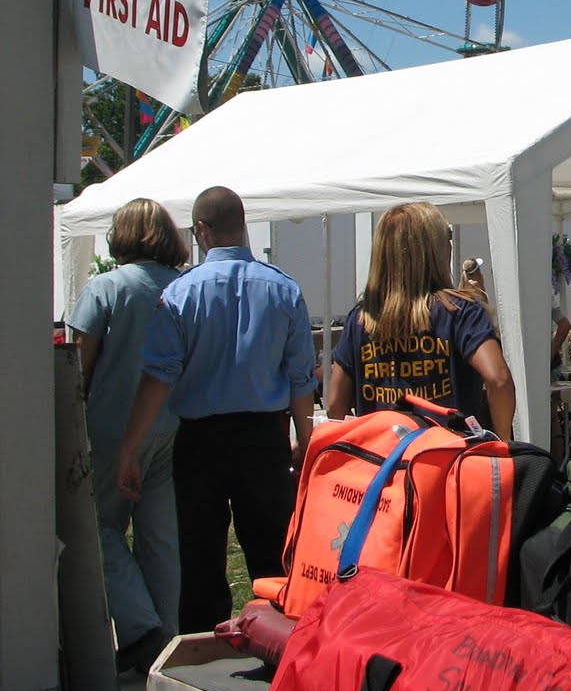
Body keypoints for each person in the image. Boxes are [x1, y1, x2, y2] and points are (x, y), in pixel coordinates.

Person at [115, 187, 318, 634]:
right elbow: (301, 377)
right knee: (271, 553)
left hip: (200, 441)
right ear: (242, 225)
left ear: (201, 231)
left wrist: (129, 446)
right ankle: (282, 647)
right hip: (264, 437)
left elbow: (158, 377)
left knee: (200, 557)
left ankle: (204, 650)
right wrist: (307, 442)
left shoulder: (180, 294)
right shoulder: (284, 289)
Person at [67, 198, 189, 672]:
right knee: (161, 538)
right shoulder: (183, 287)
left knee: (96, 527)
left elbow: (79, 363)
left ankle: (139, 626)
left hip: (111, 427)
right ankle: (167, 640)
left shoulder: (104, 289)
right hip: (173, 423)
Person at [328, 202, 516, 439]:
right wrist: (502, 441)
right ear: (437, 249)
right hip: (448, 463)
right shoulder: (461, 311)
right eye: (446, 236)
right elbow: (498, 380)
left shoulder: (361, 318)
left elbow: (335, 404)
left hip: (383, 463)